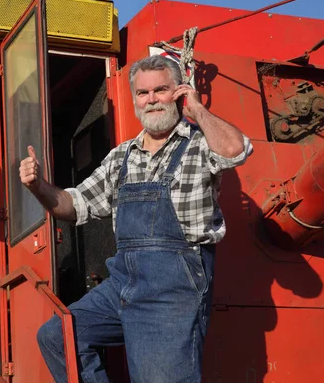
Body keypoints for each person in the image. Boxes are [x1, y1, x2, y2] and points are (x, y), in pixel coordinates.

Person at [19, 54, 253, 383]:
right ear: (135, 101)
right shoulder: (121, 157)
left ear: (179, 93)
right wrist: (38, 186)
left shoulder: (199, 144)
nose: (152, 99)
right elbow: (75, 205)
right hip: (124, 284)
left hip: (174, 291)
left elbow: (236, 151)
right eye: (143, 93)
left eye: (161, 90)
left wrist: (198, 110)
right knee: (60, 336)